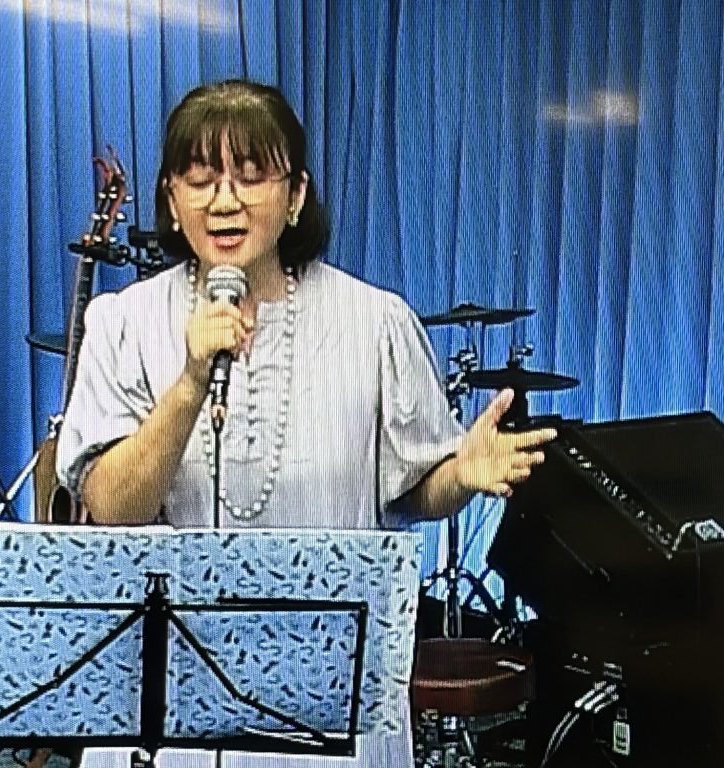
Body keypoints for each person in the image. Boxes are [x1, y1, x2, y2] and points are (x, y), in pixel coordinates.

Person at [55, 80, 556, 768]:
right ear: (171, 199)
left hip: (327, 700)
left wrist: (460, 476)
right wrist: (192, 379)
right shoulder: (123, 325)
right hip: (169, 711)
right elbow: (114, 507)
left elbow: (414, 493)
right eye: (200, 180)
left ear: (295, 197)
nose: (224, 201)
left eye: (251, 177)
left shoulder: (375, 323)